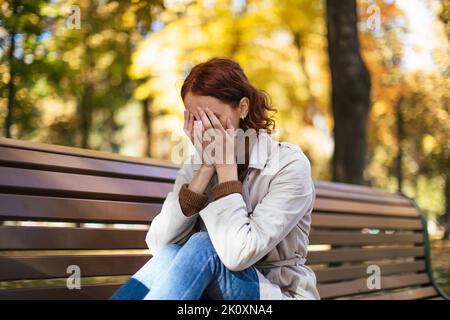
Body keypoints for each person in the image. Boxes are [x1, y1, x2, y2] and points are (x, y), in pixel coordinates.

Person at [110, 57, 320, 300]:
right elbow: (160, 247)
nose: (206, 130)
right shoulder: (197, 164)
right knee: (173, 253)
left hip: (277, 294)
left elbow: (236, 255)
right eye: (196, 120)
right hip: (209, 294)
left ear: (243, 107)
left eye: (214, 118)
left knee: (203, 244)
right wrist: (206, 169)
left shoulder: (288, 165)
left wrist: (227, 171)